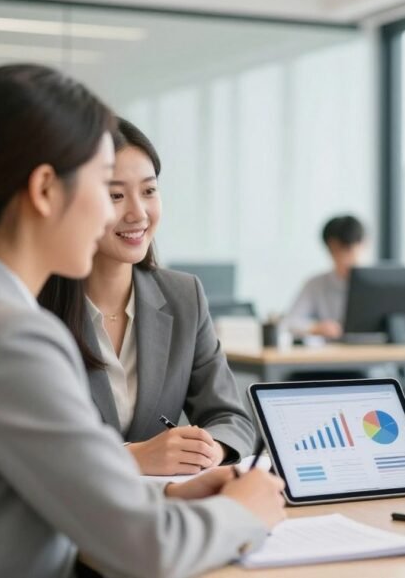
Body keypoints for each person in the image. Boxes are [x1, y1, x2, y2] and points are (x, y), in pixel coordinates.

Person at [0, 64, 284, 578]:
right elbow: (146, 551)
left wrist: (168, 496)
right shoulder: (9, 337)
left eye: (147, 190)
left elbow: (37, 491)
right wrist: (245, 512)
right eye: (104, 186)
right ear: (46, 190)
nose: (123, 215)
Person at [39, 118, 254, 475]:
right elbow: (29, 446)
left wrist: (210, 449)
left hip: (164, 501)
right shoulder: (33, 304)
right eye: (115, 195)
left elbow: (230, 417)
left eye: (149, 191)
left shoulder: (184, 295)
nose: (138, 213)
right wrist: (130, 457)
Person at [283, 214, 366, 339]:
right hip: (331, 350)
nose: (344, 259)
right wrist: (316, 327)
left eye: (349, 250)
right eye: (336, 251)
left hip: (375, 350)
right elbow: (289, 323)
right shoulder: (316, 284)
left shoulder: (381, 283)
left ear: (364, 245)